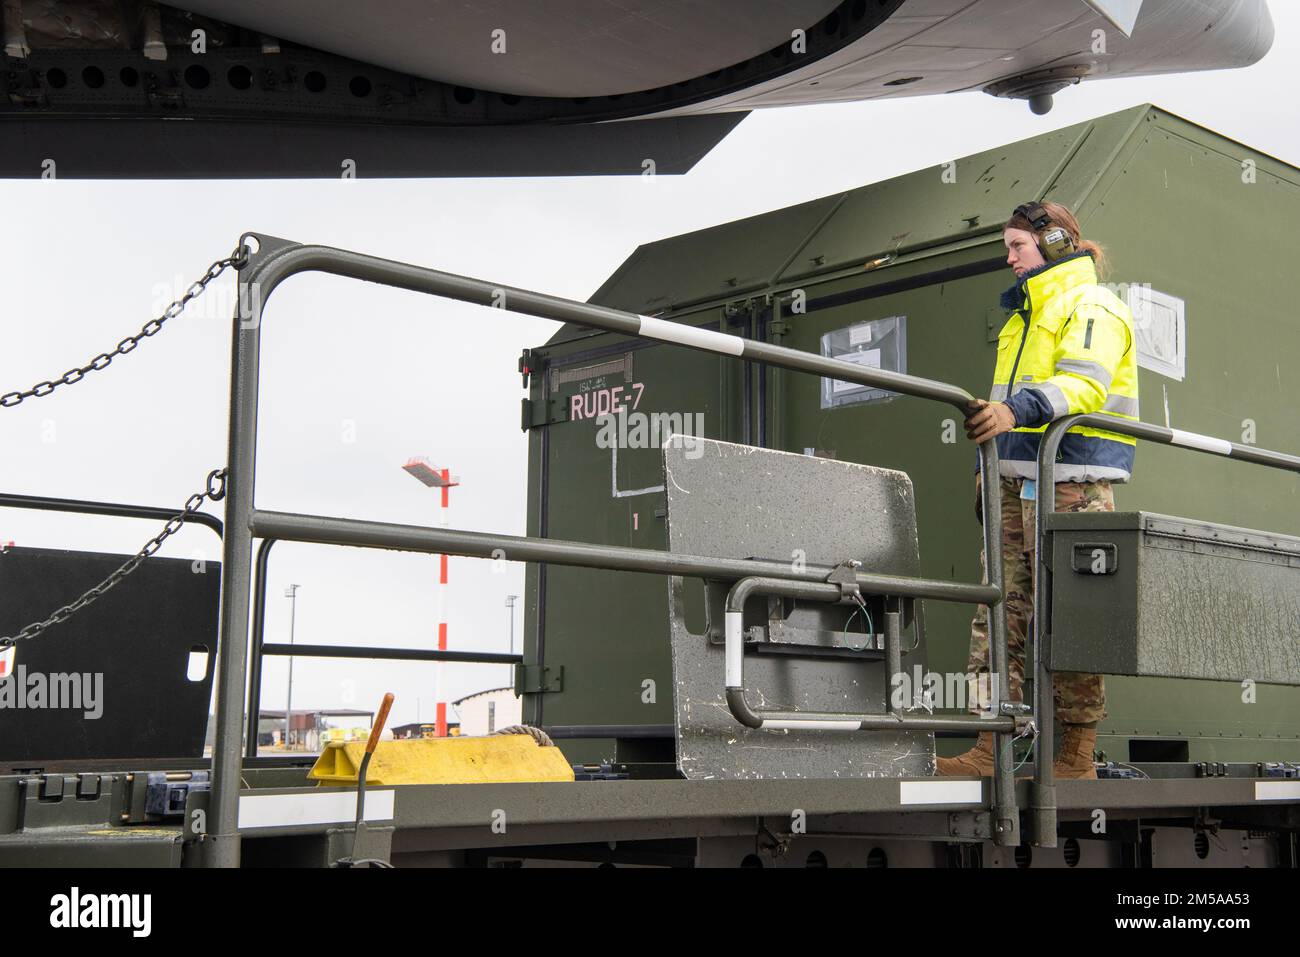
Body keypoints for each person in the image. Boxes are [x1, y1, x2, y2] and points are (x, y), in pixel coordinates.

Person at [937, 200, 1139, 780]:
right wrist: (990, 465)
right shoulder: (1022, 318)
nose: (1009, 259)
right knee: (998, 612)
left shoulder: (1092, 305)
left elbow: (1083, 384)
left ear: (1054, 242)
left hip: (1072, 485)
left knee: (1071, 617)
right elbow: (1006, 403)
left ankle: (1074, 756)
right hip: (1015, 482)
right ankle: (991, 746)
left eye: (1016, 246)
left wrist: (1011, 413)